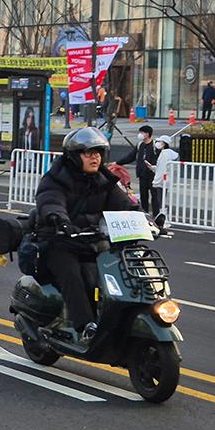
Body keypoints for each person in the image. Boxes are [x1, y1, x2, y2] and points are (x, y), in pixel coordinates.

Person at [35, 127, 131, 349]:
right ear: (74, 156)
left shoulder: (104, 180)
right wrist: (59, 219)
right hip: (58, 240)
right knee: (73, 274)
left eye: (98, 152)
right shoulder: (55, 179)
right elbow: (50, 201)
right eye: (88, 152)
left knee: (117, 272)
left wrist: (147, 219)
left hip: (92, 241)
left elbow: (125, 205)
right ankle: (85, 326)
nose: (95, 157)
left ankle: (116, 322)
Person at [116, 125, 159, 215]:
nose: (140, 134)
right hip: (142, 175)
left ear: (147, 134)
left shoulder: (155, 145)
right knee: (143, 197)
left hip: (153, 175)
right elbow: (130, 157)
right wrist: (118, 163)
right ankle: (144, 214)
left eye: (142, 132)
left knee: (155, 197)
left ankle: (156, 216)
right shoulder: (140, 145)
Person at [150, 135, 179, 224]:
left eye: (160, 142)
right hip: (165, 180)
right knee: (161, 200)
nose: (157, 143)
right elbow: (161, 168)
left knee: (161, 201)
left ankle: (164, 220)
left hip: (162, 181)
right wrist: (152, 168)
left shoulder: (165, 154)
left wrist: (156, 182)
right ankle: (164, 218)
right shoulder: (168, 153)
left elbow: (162, 169)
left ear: (164, 144)